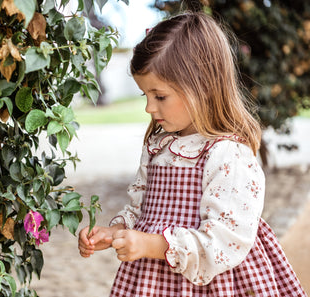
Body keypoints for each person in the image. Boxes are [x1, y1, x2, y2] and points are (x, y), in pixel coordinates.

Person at [77, 11, 307, 297]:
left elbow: (225, 239)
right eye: (144, 95)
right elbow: (142, 211)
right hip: (154, 281)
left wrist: (152, 245)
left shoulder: (227, 154)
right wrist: (117, 233)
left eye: (159, 96)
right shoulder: (159, 147)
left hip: (210, 283)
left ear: (201, 87)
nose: (149, 108)